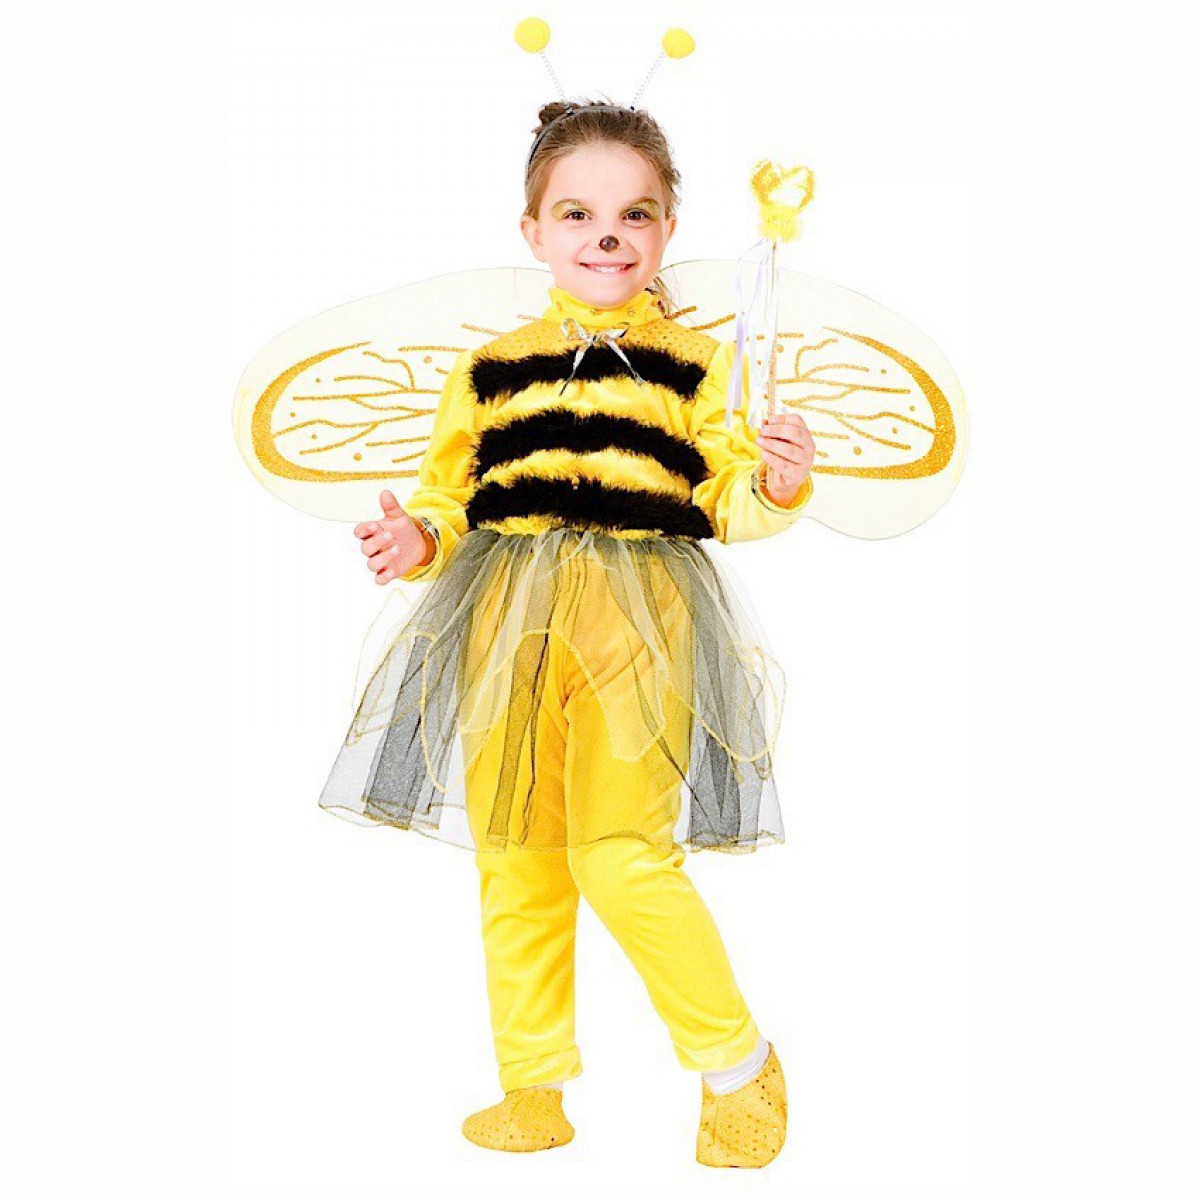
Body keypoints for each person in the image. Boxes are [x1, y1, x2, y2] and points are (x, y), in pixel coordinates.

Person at [329, 100, 815, 1168]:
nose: (608, 235)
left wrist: (778, 482)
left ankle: (736, 1062)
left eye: (635, 213)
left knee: (620, 856)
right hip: (504, 625)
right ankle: (532, 1085)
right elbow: (451, 500)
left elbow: (726, 497)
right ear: (534, 231)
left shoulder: (699, 366)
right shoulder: (490, 367)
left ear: (668, 229)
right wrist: (415, 540)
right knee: (516, 856)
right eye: (578, 213)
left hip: (642, 625)